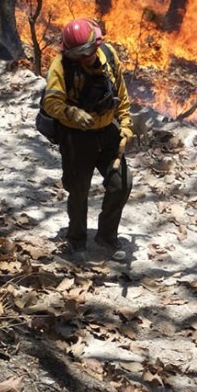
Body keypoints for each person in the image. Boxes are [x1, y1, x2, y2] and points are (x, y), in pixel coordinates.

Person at [42, 18, 134, 259]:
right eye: (80, 54)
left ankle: (106, 236)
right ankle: (76, 240)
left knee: (121, 183)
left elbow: (121, 93)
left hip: (107, 133)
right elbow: (51, 101)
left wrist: (125, 124)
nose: (87, 57)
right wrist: (71, 112)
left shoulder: (109, 56)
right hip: (76, 137)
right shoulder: (60, 66)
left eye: (90, 50)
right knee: (78, 189)